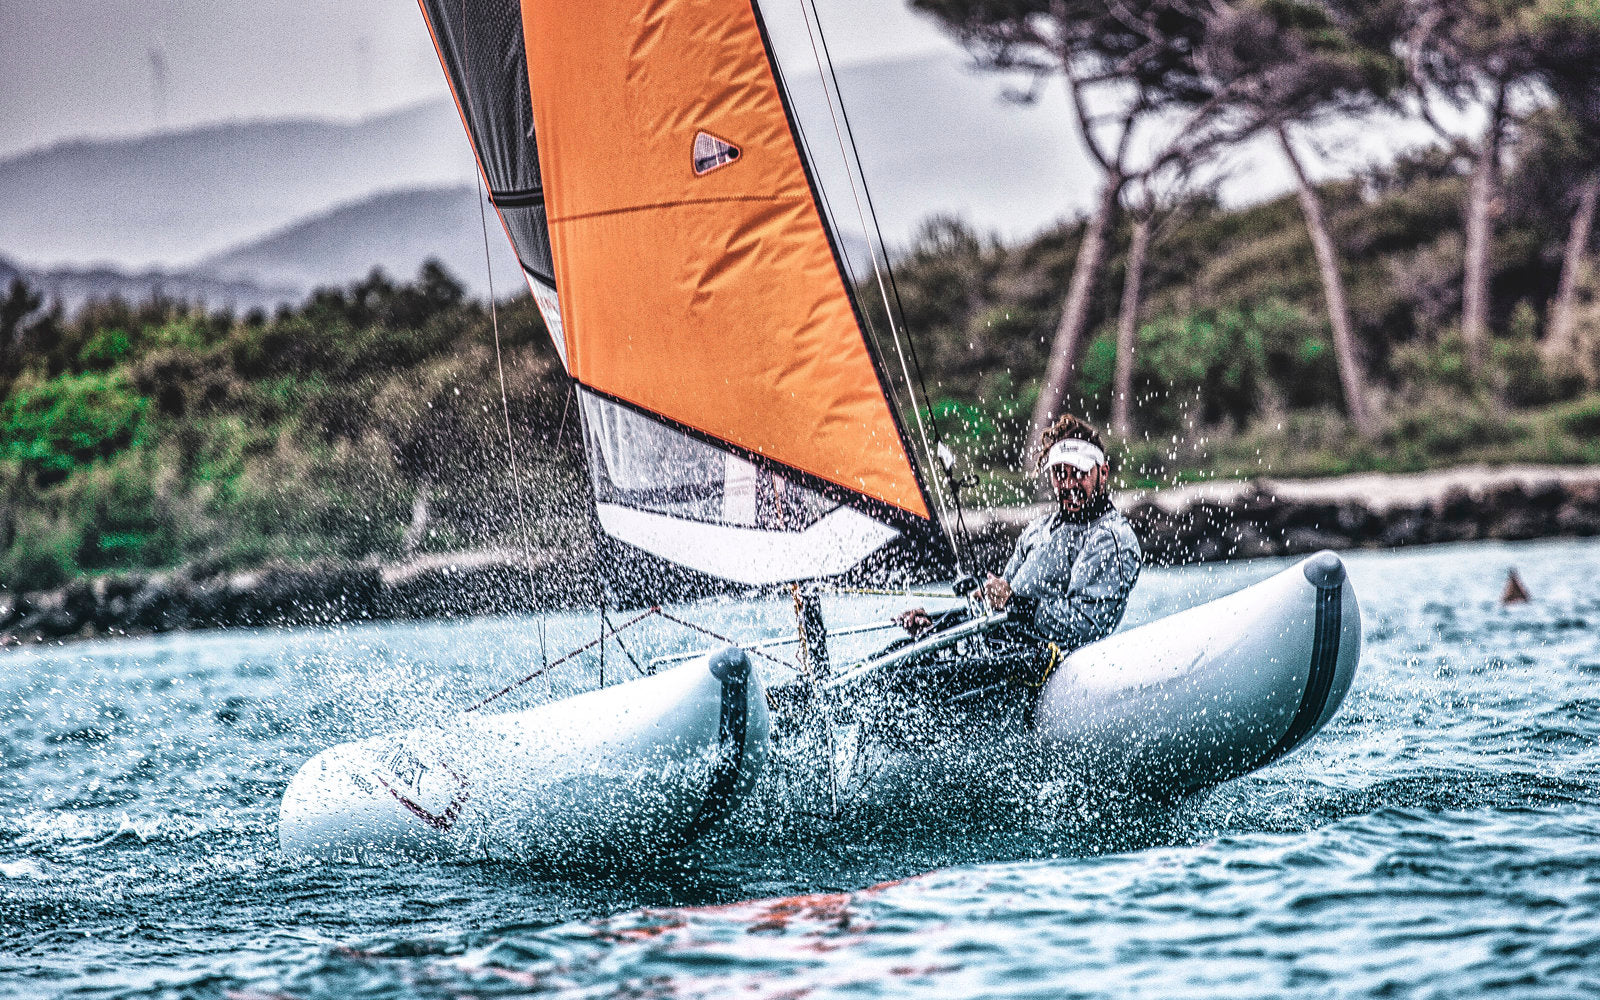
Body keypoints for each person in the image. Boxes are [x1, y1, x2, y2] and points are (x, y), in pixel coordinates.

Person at [897, 414, 1143, 653]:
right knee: (900, 651)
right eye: (1060, 474)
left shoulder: (1110, 539)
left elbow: (1087, 626)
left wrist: (1014, 603)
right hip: (1002, 651)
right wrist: (937, 624)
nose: (1069, 485)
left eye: (1079, 473)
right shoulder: (1037, 530)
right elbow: (997, 609)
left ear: (1103, 473)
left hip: (1044, 665)